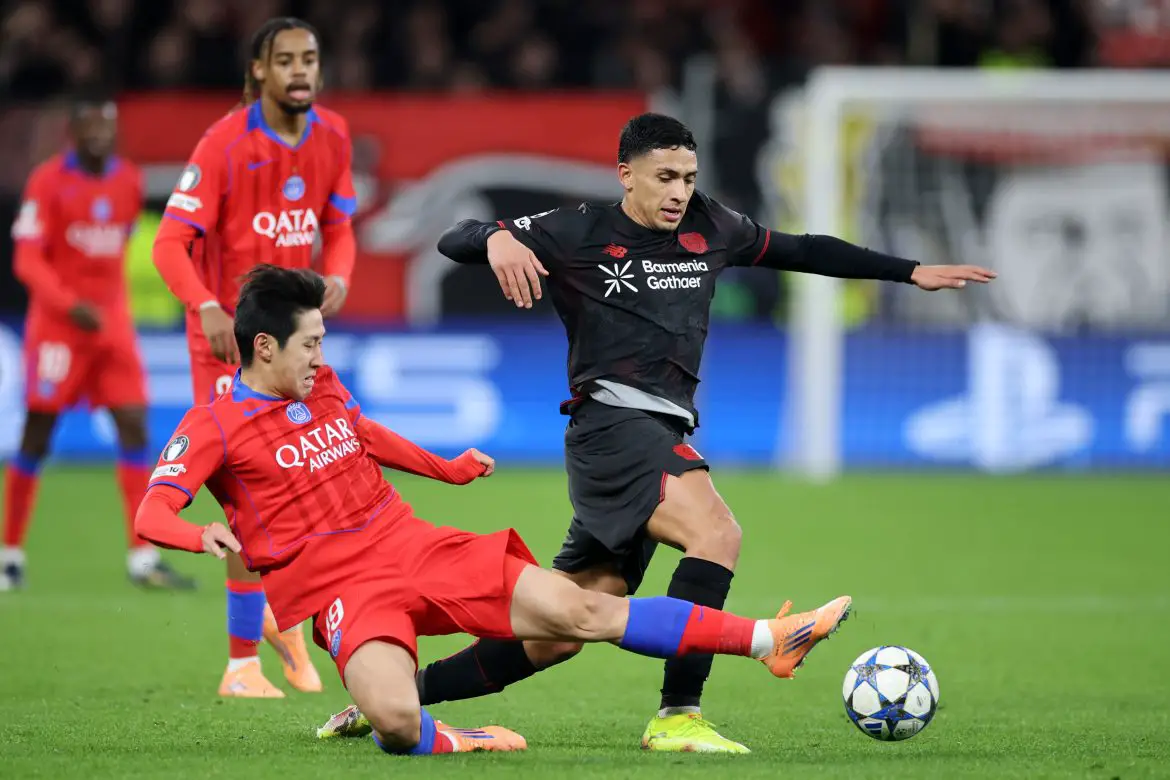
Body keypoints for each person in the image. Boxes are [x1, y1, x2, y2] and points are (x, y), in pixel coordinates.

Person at [318, 112, 996, 752]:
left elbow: (802, 249)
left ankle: (395, 696)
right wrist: (497, 237)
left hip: (649, 430)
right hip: (612, 425)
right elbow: (453, 235)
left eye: (689, 178)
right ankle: (678, 715)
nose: (679, 193)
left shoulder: (713, 227)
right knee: (716, 532)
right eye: (665, 178)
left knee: (563, 627)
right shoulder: (577, 228)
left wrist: (907, 272)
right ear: (627, 175)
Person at [133, 264, 854, 756]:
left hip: (410, 544)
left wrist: (445, 470)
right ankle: (457, 738)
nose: (322, 356)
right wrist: (200, 535)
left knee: (580, 613)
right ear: (264, 346)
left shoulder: (317, 386)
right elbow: (151, 514)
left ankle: (770, 639)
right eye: (311, 343)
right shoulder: (212, 426)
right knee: (393, 722)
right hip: (339, 592)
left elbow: (363, 433)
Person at [151, 16, 357, 698]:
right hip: (227, 345)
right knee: (245, 495)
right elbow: (167, 245)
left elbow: (338, 223)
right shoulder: (223, 144)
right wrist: (206, 305)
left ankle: (282, 618)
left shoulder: (332, 134)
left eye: (311, 58)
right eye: (287, 59)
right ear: (260, 70)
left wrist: (343, 275)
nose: (301, 70)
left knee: (311, 481)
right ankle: (243, 664)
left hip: (294, 343)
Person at [1, 88, 194, 592]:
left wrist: (103, 308)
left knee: (133, 427)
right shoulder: (48, 182)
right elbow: (26, 260)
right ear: (75, 130)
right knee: (37, 436)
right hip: (59, 331)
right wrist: (70, 305)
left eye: (107, 125)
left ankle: (142, 557)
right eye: (90, 125)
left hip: (112, 330)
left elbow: (120, 245)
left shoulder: (128, 180)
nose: (100, 134)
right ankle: (10, 553)